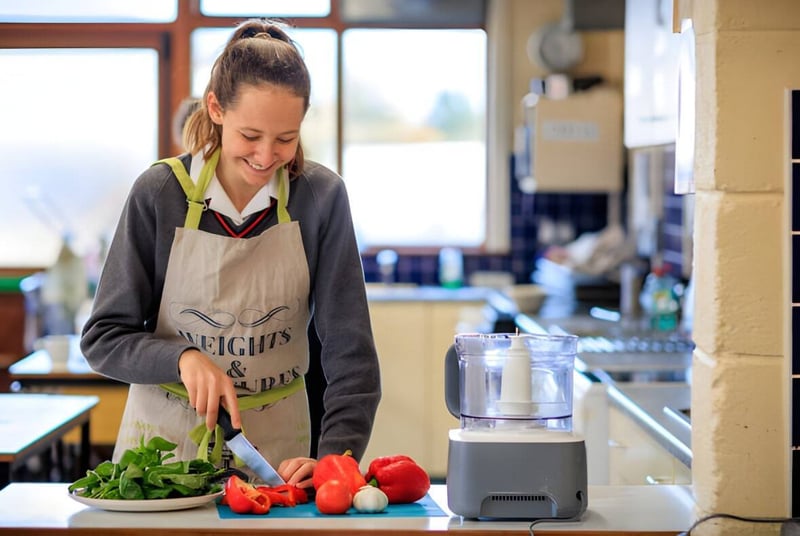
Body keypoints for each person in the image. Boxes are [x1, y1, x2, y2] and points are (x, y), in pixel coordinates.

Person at [80, 18, 381, 490]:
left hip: (280, 458)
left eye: (286, 139)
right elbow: (103, 338)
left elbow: (352, 357)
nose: (266, 157)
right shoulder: (159, 193)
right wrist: (182, 358)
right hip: (162, 456)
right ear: (216, 108)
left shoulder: (320, 197)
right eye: (250, 136)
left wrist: (333, 460)